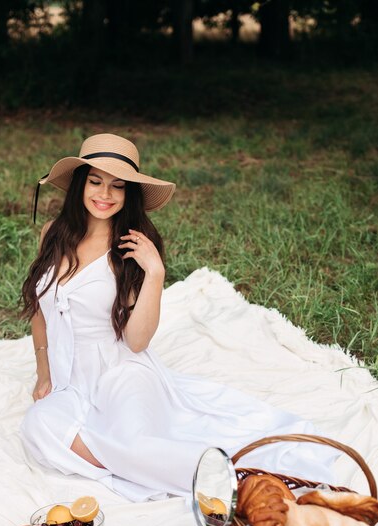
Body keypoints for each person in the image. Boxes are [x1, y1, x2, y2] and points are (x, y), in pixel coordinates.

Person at [21, 133, 335, 501]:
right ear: (80, 184)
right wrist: (44, 370)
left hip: (122, 372)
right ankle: (135, 465)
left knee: (136, 441)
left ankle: (239, 481)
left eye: (117, 187)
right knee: (37, 426)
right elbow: (41, 311)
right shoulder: (52, 235)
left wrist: (155, 274)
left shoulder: (131, 250)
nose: (104, 194)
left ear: (129, 195)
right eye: (95, 181)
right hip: (70, 384)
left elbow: (137, 342)